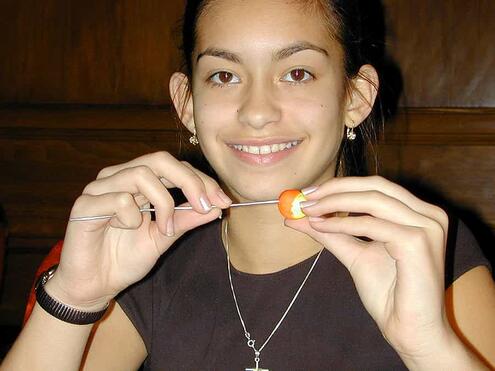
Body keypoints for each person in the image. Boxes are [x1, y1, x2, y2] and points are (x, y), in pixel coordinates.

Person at [2, 0, 495, 370]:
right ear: (187, 102)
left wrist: (428, 344)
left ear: (356, 97)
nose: (257, 112)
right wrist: (74, 294)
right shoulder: (153, 259)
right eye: (223, 76)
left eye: (297, 73)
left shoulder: (424, 252)